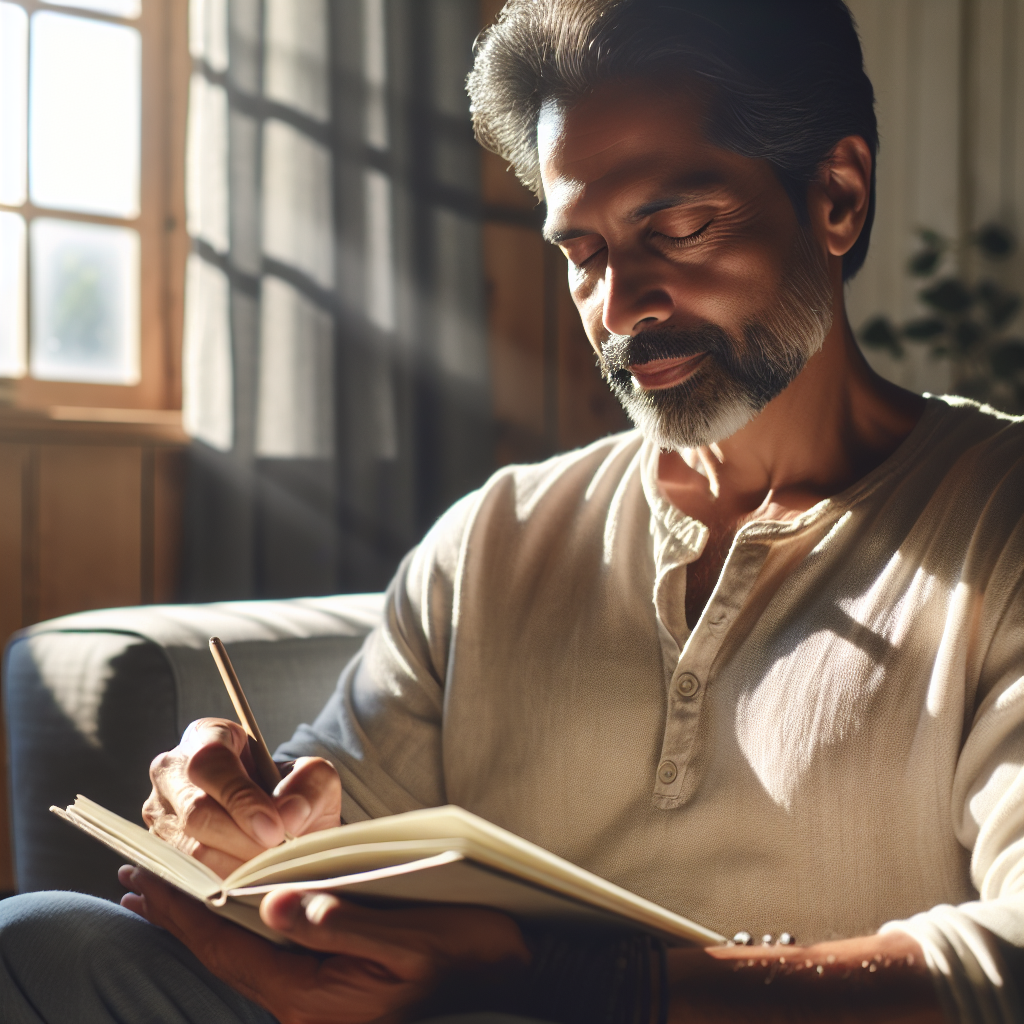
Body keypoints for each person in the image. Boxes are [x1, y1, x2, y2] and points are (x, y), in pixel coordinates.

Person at [1, 1, 1021, 1022]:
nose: (621, 308)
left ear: (836, 197)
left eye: (677, 228)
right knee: (41, 940)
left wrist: (587, 984)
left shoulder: (997, 515)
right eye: (582, 253)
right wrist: (236, 818)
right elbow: (323, 846)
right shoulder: (494, 537)